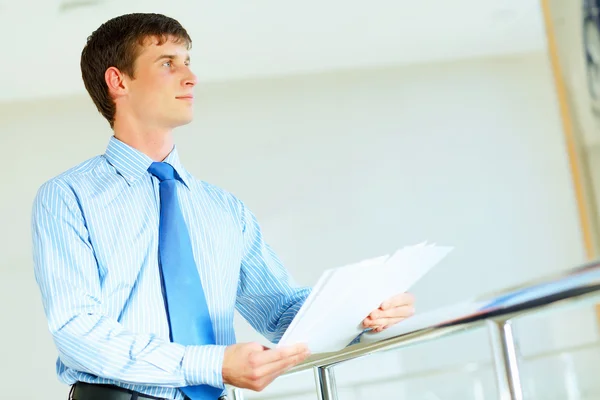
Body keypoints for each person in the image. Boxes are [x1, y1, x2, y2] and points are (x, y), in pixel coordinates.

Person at [31, 12, 416, 400]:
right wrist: (211, 364)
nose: (191, 77)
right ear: (118, 81)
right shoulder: (68, 196)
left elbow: (280, 313)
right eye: (167, 63)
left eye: (188, 62)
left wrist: (361, 313)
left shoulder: (225, 210)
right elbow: (77, 330)